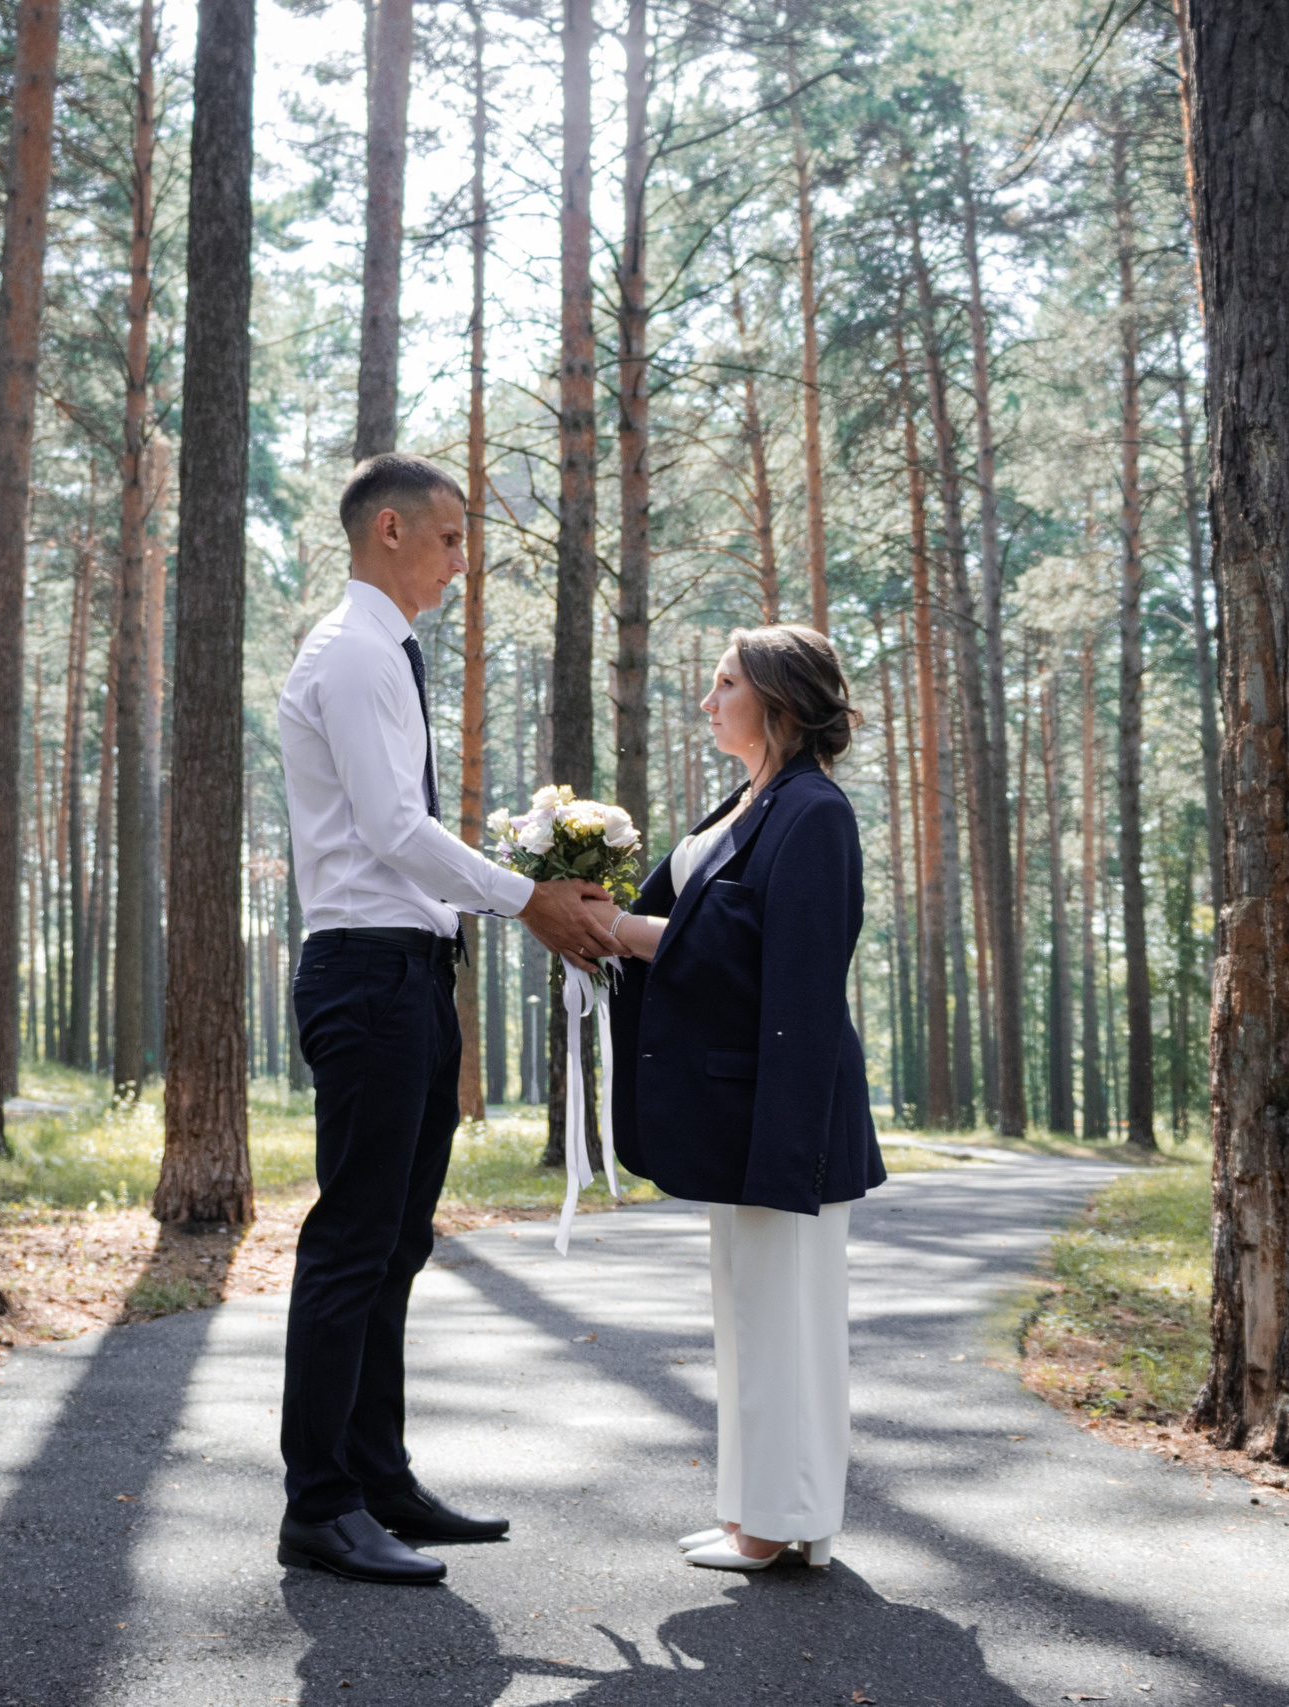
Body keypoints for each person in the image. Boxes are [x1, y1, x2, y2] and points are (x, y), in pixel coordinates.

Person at [275, 453, 621, 1586]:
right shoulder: (354, 653)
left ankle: (377, 1481)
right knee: (353, 1241)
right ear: (389, 531)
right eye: (453, 536)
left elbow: (408, 837)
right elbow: (389, 828)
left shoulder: (386, 652)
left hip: (413, 972)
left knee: (399, 1240)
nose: (465, 560)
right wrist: (525, 896)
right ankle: (319, 1507)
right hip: (368, 976)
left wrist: (507, 890)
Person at [592, 623, 886, 1572]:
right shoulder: (751, 803)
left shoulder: (815, 814)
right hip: (742, 1108)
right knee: (751, 1316)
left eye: (726, 684)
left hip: (787, 1113)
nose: (709, 700)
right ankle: (755, 1512)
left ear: (781, 702)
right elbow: (706, 932)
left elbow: (787, 980)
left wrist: (629, 934)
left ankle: (779, 1523)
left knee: (788, 1321)